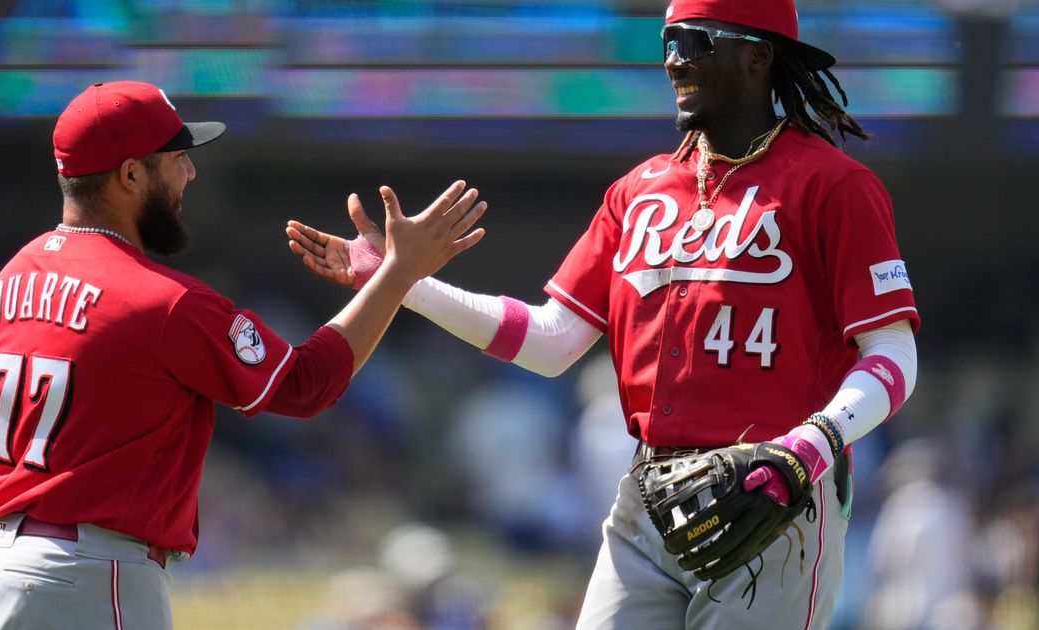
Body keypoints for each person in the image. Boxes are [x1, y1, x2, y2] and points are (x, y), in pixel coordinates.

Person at [285, 0, 920, 627]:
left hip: (775, 495)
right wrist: (402, 282)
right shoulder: (637, 191)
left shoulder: (835, 186)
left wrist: (808, 448)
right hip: (650, 496)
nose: (674, 61)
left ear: (758, 55)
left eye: (695, 41)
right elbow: (549, 341)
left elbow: (894, 356)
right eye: (667, 41)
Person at [0, 80, 487, 630]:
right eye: (178, 158)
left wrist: (1, 558)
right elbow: (304, 385)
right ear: (131, 174)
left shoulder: (6, 285)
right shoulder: (163, 300)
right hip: (80, 574)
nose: (190, 173)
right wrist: (399, 272)